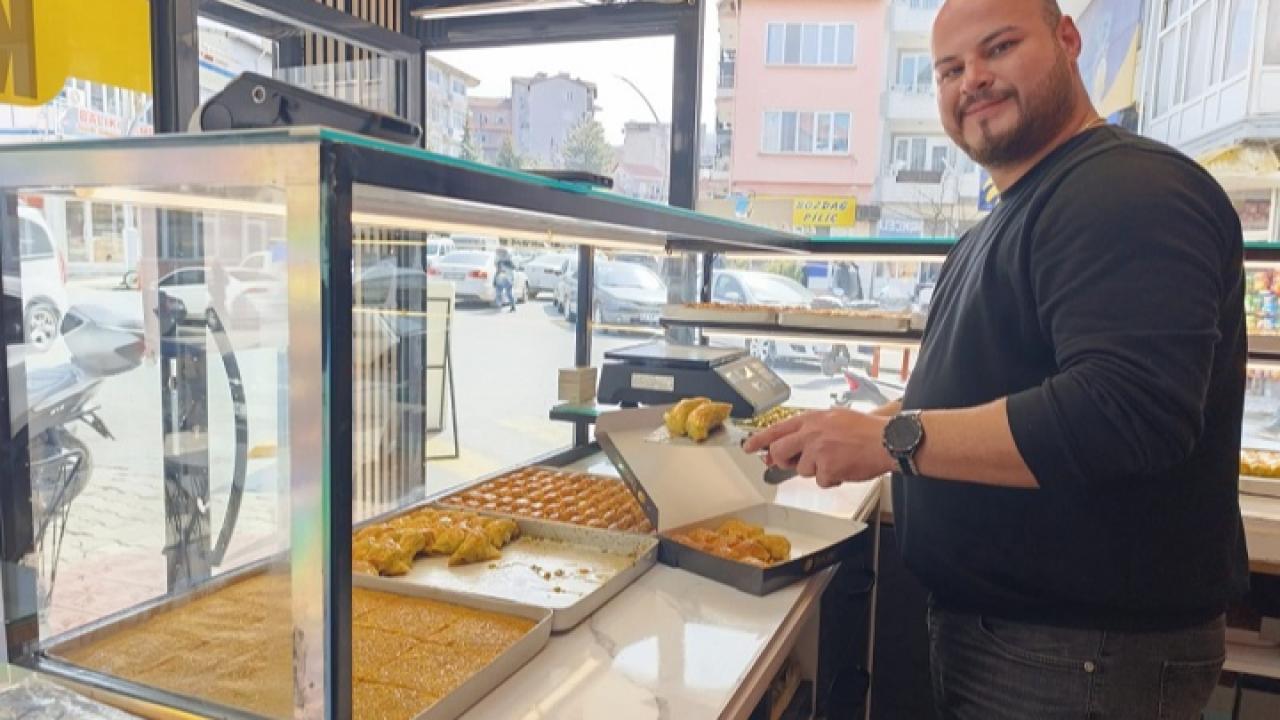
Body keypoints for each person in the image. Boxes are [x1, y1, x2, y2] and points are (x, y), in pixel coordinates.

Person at [744, 1, 1248, 718]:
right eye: (950, 69)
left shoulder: (1126, 191)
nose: (971, 80)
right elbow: (984, 387)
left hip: (1082, 658)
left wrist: (890, 440)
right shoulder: (1010, 216)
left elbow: (1124, 413)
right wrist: (858, 425)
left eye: (999, 48)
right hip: (1019, 641)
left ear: (1067, 40)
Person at [494, 247, 517, 312]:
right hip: (500, 278)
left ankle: (513, 306)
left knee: (509, 293)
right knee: (498, 292)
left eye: (501, 253)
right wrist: (495, 280)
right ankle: (500, 305)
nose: (500, 254)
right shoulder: (499, 261)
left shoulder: (509, 261)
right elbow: (498, 271)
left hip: (508, 279)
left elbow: (513, 268)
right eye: (499, 253)